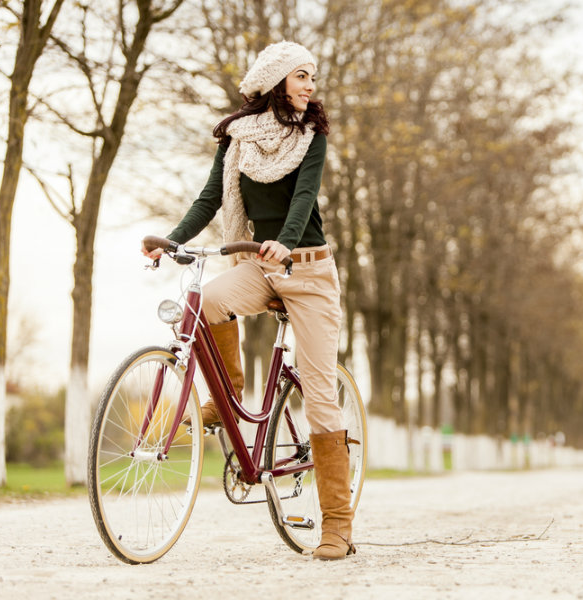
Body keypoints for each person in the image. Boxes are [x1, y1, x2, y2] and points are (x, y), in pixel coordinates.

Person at [142, 41, 354, 561]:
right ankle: (229, 389)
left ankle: (337, 525)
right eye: (302, 76)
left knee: (320, 392)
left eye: (312, 77)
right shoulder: (237, 139)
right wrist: (171, 240)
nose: (310, 85)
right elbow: (210, 197)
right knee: (204, 303)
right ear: (276, 81)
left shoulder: (312, 136)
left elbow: (305, 195)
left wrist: (286, 237)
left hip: (307, 272)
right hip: (260, 266)